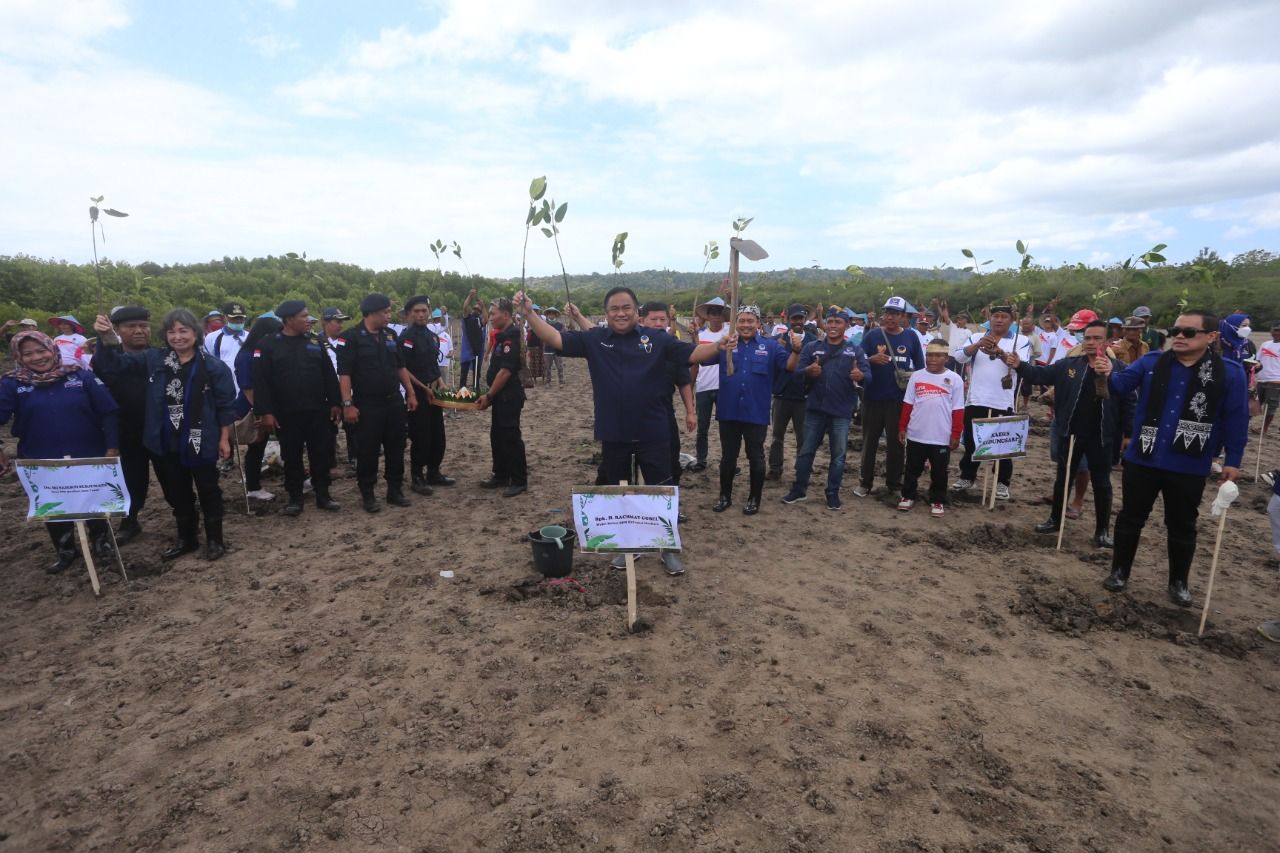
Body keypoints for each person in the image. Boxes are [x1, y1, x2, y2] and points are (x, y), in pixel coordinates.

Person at [1094, 310, 1249, 605]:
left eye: (1188, 332)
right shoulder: (1152, 362)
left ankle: (1178, 582)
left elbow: (1236, 418)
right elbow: (1120, 387)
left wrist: (1233, 460)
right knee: (1130, 517)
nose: (1178, 336)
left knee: (1182, 524)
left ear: (1211, 337)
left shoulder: (1229, 372)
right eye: (1175, 330)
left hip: (1189, 462)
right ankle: (1119, 572)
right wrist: (1105, 372)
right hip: (1143, 457)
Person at [518, 286, 726, 493]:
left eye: (626, 308)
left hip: (653, 431)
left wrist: (718, 346)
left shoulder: (657, 339)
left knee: (659, 490)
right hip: (613, 431)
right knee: (618, 492)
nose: (620, 313)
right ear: (607, 314)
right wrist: (529, 313)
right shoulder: (595, 339)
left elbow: (693, 353)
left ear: (636, 311)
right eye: (614, 309)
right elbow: (555, 338)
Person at [92, 309, 236, 561]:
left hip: (201, 439)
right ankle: (187, 539)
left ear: (196, 333)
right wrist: (105, 338)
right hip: (166, 439)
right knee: (178, 491)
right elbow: (114, 365)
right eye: (171, 332)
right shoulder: (154, 359)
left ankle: (215, 540)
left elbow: (225, 406)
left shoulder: (213, 366)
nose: (177, 337)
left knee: (208, 489)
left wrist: (224, 439)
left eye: (184, 331)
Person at [0, 330, 120, 572]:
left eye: (41, 350)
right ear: (19, 357)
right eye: (28, 353)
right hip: (40, 458)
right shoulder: (13, 383)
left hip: (87, 453)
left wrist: (112, 446)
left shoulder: (80, 376)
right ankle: (65, 550)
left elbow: (109, 412)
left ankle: (101, 542)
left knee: (94, 500)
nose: (37, 357)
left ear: (52, 349)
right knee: (53, 504)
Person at [1009, 320, 1132, 547]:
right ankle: (1055, 519)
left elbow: (1129, 402)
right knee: (1063, 478)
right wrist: (1019, 365)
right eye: (1087, 338)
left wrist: (1128, 433)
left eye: (1096, 338)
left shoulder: (1121, 369)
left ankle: (1102, 530)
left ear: (1106, 342)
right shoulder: (1069, 365)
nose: (1091, 342)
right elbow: (1039, 374)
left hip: (1102, 436)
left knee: (1103, 483)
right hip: (1071, 433)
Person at [253, 301, 342, 516]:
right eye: (304, 316)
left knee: (320, 454)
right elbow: (261, 381)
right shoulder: (268, 344)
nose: (308, 319)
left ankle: (323, 495)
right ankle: (295, 498)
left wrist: (335, 402)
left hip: (317, 410)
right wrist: (266, 412)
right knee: (291, 455)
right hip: (286, 412)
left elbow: (329, 374)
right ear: (289, 319)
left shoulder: (314, 340)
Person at [714, 306, 803, 514]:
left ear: (758, 324)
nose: (746, 325)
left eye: (750, 321)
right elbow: (702, 356)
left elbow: (789, 366)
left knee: (756, 456)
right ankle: (724, 496)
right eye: (742, 320)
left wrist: (797, 350)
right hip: (728, 410)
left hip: (756, 412)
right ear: (736, 323)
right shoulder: (727, 344)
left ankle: (754, 499)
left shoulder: (770, 347)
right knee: (728, 457)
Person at [336, 293, 418, 513]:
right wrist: (347, 404)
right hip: (367, 404)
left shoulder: (390, 335)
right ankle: (368, 494)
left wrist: (410, 393)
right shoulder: (350, 338)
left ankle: (394, 490)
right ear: (371, 313)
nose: (388, 316)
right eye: (385, 312)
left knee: (396, 446)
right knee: (368, 450)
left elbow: (400, 367)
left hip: (393, 402)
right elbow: (345, 375)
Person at [782, 308, 868, 509]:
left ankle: (832, 493)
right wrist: (809, 371)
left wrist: (860, 376)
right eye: (830, 321)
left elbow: (867, 375)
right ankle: (799, 489)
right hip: (815, 409)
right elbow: (796, 374)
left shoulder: (855, 350)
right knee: (806, 452)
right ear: (825, 324)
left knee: (838, 456)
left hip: (841, 411)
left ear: (846, 325)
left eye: (838, 322)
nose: (833, 326)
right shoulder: (812, 347)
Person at [950, 304, 1034, 500]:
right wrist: (978, 345)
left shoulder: (1020, 340)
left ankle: (1002, 483)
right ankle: (967, 477)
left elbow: (1018, 365)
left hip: (1003, 401)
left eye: (1004, 316)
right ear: (990, 318)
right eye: (996, 316)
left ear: (1011, 320)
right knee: (971, 443)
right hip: (976, 398)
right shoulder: (977, 337)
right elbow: (960, 357)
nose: (999, 320)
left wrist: (999, 352)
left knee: (1002, 446)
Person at [96, 306, 161, 545]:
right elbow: (103, 370)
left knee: (174, 477)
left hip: (161, 430)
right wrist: (104, 341)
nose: (138, 331)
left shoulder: (161, 355)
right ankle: (129, 521)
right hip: (127, 430)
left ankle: (186, 519)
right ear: (118, 330)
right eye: (130, 327)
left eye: (143, 326)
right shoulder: (108, 358)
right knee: (131, 479)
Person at [856, 296, 925, 498]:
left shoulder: (911, 336)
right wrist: (871, 359)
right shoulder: (872, 336)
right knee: (869, 443)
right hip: (872, 398)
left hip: (899, 400)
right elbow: (857, 361)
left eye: (895, 314)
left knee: (897, 444)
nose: (890, 317)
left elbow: (920, 367)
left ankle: (894, 483)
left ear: (904, 316)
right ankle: (865, 482)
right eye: (887, 313)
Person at [892, 339, 965, 516]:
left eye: (938, 356)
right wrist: (902, 427)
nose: (932, 359)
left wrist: (956, 433)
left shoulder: (955, 379)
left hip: (941, 435)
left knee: (940, 471)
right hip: (917, 433)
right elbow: (908, 404)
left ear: (946, 358)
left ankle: (938, 499)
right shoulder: (916, 376)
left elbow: (958, 409)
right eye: (929, 355)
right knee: (911, 468)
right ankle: (908, 496)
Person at [398, 295, 455, 495]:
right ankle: (417, 476)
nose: (421, 314)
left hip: (434, 390)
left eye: (424, 311)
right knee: (420, 435)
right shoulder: (407, 337)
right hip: (418, 393)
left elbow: (433, 364)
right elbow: (402, 368)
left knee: (438, 435)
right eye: (417, 311)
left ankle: (434, 471)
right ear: (409, 315)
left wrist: (441, 382)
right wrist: (423, 388)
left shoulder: (431, 336)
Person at [476, 298, 528, 497]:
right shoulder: (503, 335)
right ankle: (501, 475)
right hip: (500, 396)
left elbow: (505, 372)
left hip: (508, 396)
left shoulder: (511, 337)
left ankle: (518, 480)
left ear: (506, 315)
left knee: (510, 438)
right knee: (497, 436)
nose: (490, 317)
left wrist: (489, 395)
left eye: (493, 313)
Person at [767, 304, 818, 481]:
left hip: (804, 397)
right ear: (787, 319)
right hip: (781, 395)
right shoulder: (777, 340)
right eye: (794, 318)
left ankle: (802, 470)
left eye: (800, 318)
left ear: (805, 319)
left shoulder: (813, 340)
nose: (797, 322)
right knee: (776, 437)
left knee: (803, 438)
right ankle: (775, 469)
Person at [690, 297, 730, 472]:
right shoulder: (701, 336)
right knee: (703, 427)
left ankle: (728, 461)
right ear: (707, 316)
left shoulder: (730, 332)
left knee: (727, 428)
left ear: (723, 315)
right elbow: (694, 362)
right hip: (704, 387)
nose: (715, 316)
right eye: (712, 313)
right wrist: (690, 387)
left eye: (719, 312)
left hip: (725, 387)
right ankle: (701, 460)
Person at [318, 307, 355, 470]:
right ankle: (329, 459)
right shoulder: (315, 341)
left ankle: (354, 458)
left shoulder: (347, 340)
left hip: (348, 390)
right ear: (326, 322)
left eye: (342, 322)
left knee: (352, 427)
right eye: (337, 321)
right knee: (328, 429)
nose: (340, 325)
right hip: (327, 392)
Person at [204, 302, 250, 391]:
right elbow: (208, 362)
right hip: (223, 385)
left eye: (241, 318)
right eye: (234, 318)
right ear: (225, 318)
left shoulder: (250, 336)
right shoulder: (212, 337)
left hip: (245, 386)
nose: (238, 321)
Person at [459, 290, 488, 389]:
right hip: (467, 350)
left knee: (477, 374)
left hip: (477, 350)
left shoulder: (480, 320)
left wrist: (483, 306)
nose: (475, 310)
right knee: (464, 373)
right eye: (474, 308)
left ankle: (476, 391)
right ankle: (462, 391)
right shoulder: (468, 318)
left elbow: (486, 318)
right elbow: (465, 307)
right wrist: (470, 296)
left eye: (478, 309)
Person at [1257, 323, 1280, 434]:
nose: (1276, 333)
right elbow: (1258, 360)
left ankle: (1264, 428)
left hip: (1276, 381)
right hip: (1261, 379)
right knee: (1255, 403)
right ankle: (1245, 424)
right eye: (1274, 330)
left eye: (1279, 330)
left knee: (1271, 406)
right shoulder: (1265, 344)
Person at [542, 306, 566, 385]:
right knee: (547, 367)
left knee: (559, 366)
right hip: (547, 349)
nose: (551, 315)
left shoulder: (560, 325)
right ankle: (548, 382)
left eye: (553, 314)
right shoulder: (544, 324)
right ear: (547, 315)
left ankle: (561, 381)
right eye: (549, 313)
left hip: (557, 348)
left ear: (555, 315)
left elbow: (563, 335)